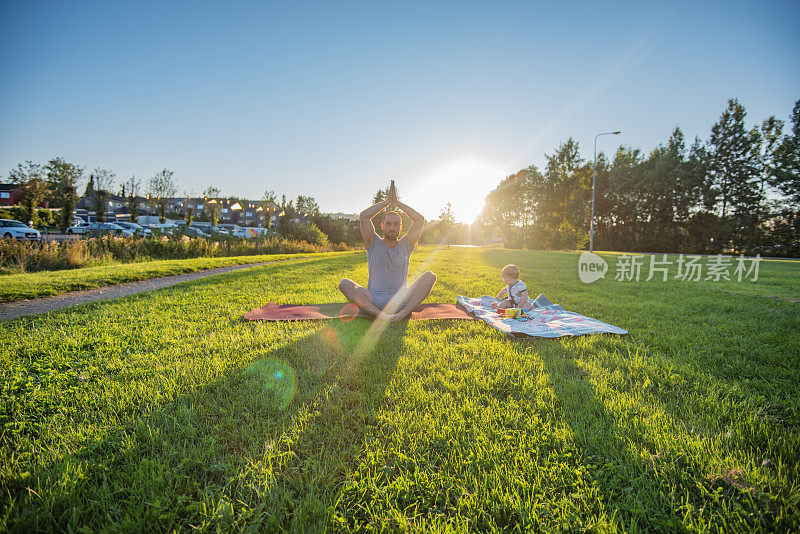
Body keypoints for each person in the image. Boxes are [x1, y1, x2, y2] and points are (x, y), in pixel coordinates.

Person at [338, 181, 436, 322]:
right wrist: (387, 202)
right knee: (344, 284)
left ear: (400, 227)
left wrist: (397, 203)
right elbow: (364, 216)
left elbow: (419, 220)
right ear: (382, 226)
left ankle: (402, 314)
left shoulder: (407, 244)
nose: (392, 227)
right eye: (388, 224)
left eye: (396, 224)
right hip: (374, 298)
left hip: (401, 298)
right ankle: (380, 315)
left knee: (430, 276)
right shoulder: (373, 242)